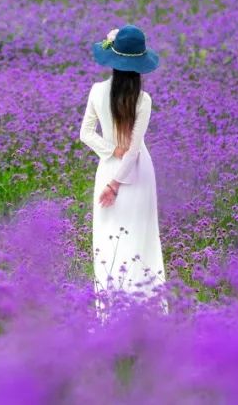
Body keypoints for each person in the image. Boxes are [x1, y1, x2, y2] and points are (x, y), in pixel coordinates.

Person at [79, 24, 168, 320]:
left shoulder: (97, 91)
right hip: (139, 176)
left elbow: (86, 134)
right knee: (141, 246)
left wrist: (109, 153)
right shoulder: (143, 100)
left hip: (108, 172)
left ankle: (110, 319)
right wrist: (118, 180)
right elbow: (134, 149)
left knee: (107, 244)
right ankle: (147, 318)